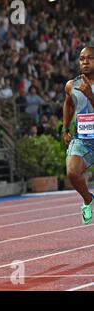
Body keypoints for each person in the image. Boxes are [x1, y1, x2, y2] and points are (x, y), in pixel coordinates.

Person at [63, 46, 94, 225]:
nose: (85, 62)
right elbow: (68, 104)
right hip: (82, 138)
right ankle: (88, 199)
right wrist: (65, 128)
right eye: (82, 59)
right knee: (72, 173)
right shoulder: (71, 85)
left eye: (89, 58)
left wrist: (90, 95)